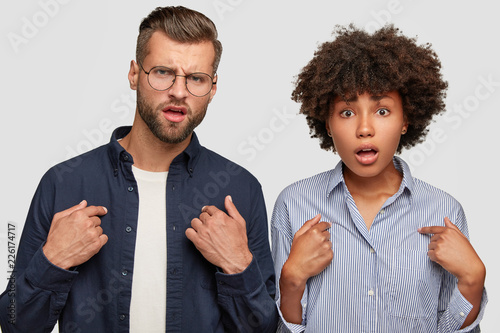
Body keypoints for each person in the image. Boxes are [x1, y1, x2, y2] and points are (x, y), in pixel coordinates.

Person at [0, 6, 277, 333]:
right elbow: (15, 324)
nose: (178, 91)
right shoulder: (65, 184)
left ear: (213, 88)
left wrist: (238, 266)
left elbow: (264, 328)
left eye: (196, 79)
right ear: (134, 74)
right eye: (162, 72)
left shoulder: (240, 189)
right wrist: (54, 262)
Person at [271, 25, 487, 332]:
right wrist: (291, 280)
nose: (364, 128)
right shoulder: (294, 204)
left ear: (406, 119)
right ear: (327, 123)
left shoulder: (444, 211)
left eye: (382, 110)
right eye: (347, 112)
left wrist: (473, 280)